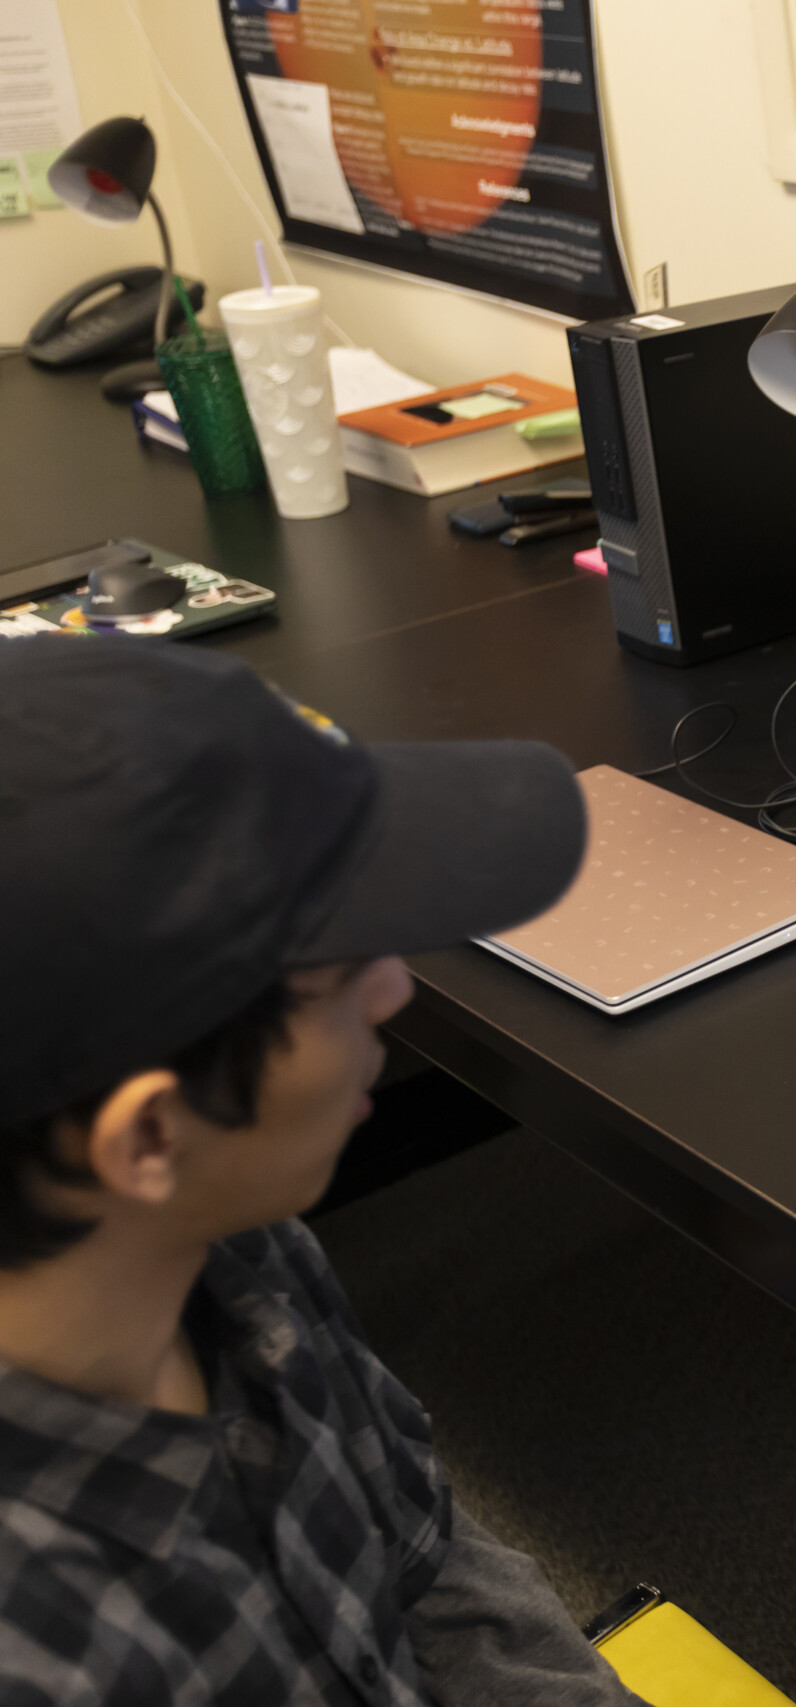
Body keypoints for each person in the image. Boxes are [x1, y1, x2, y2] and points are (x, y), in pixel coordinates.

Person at [0, 638, 635, 1704]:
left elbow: (430, 1567)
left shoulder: (236, 1248)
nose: (395, 991)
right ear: (147, 1138)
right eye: (343, 973)